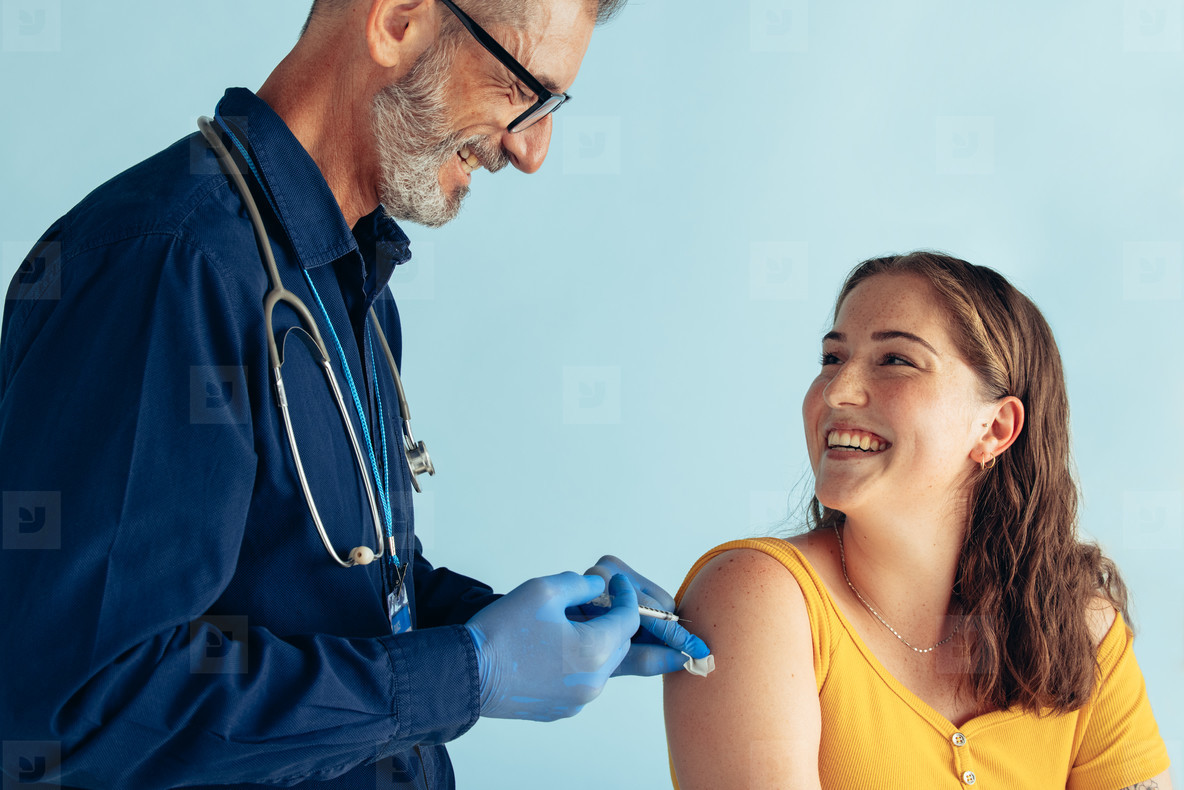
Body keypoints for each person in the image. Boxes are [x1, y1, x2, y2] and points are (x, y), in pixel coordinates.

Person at [0, 0, 709, 787]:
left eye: (553, 106)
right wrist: (467, 674)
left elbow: (331, 591)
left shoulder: (346, 285)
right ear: (398, 20)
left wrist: (523, 625)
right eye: (523, 91)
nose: (534, 150)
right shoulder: (166, 268)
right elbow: (84, 711)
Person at [664, 252, 1170, 789]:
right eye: (832, 359)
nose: (836, 392)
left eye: (896, 361)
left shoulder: (1080, 626)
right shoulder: (756, 598)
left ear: (994, 428)